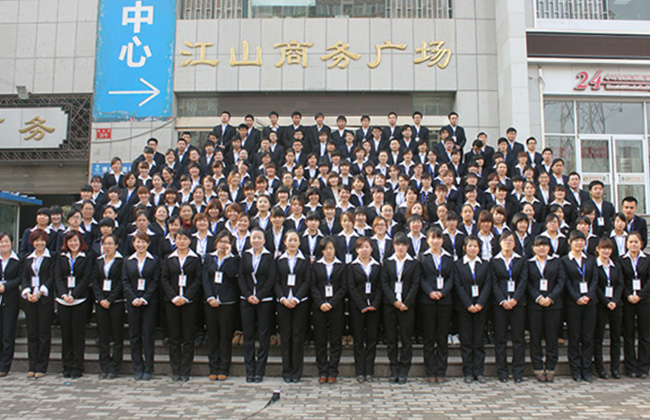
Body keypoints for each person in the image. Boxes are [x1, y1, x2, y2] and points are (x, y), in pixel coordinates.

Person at [161, 229, 202, 382]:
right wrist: (174, 297)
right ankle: (176, 370)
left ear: (190, 241)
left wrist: (186, 297)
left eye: (185, 239)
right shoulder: (168, 258)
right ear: (175, 240)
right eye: (179, 239)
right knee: (174, 337)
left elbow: (198, 279)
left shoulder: (195, 258)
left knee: (188, 337)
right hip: (172, 302)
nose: (182, 241)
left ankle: (186, 370)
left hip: (189, 302)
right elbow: (164, 279)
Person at [239, 228, 277, 383]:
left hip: (264, 300)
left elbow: (271, 278)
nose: (256, 240)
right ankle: (250, 370)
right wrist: (248, 294)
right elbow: (241, 276)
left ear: (264, 240)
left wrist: (259, 296)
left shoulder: (269, 256)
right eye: (254, 237)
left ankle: (260, 371)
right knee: (248, 335)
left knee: (263, 335)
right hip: (246, 299)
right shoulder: (245, 255)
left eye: (259, 238)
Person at [381, 232, 420, 384]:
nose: (401, 247)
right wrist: (394, 301)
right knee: (391, 338)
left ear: (408, 246)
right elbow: (384, 283)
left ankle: (404, 369)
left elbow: (415, 284)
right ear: (393, 246)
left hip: (407, 306)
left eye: (403, 245)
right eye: (398, 244)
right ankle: (394, 369)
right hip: (390, 305)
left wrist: (406, 302)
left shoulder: (413, 263)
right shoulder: (387, 262)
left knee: (406, 338)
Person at [55, 230, 93, 379]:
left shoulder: (86, 257)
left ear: (80, 242)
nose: (73, 243)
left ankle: (77, 366)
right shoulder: (61, 257)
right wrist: (64, 294)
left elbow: (86, 278)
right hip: (63, 300)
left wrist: (74, 294)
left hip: (79, 300)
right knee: (66, 334)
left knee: (78, 335)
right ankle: (67, 365)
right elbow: (58, 277)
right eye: (70, 241)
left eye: (75, 241)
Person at [490, 231, 527, 383]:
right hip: (500, 304)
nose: (508, 243)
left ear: (515, 243)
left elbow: (523, 281)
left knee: (518, 338)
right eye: (505, 240)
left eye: (511, 240)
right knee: (500, 339)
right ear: (500, 243)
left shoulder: (521, 260)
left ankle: (518, 371)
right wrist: (502, 300)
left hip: (517, 304)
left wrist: (515, 299)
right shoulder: (494, 261)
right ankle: (502, 371)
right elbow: (493, 282)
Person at [202, 230, 240, 381]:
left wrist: (228, 256)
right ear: (216, 242)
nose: (223, 244)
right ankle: (213, 367)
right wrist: (210, 297)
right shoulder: (209, 257)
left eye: (226, 242)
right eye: (221, 241)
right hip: (211, 301)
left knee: (225, 335)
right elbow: (205, 279)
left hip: (227, 302)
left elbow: (232, 274)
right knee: (212, 335)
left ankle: (224, 368)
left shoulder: (234, 259)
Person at [561, 230, 598, 383]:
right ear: (570, 242)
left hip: (590, 303)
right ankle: (575, 369)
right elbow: (566, 281)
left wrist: (588, 295)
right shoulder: (564, 261)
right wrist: (577, 297)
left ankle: (586, 369)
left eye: (582, 240)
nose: (579, 243)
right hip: (573, 303)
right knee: (574, 336)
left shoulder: (590, 259)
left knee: (588, 337)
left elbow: (595, 279)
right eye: (576, 240)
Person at [454, 235, 492, 383]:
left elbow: (487, 284)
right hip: (464, 307)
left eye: (475, 246)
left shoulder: (485, 264)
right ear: (464, 248)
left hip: (481, 307)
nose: (472, 249)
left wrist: (480, 303)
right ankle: (468, 371)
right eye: (470, 246)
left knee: (478, 340)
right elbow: (458, 285)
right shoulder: (458, 265)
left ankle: (479, 371)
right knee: (466, 340)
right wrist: (468, 304)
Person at [418, 226, 454, 383]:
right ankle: (430, 371)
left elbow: (451, 278)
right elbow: (420, 277)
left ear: (442, 240)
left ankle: (441, 370)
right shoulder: (422, 257)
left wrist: (443, 292)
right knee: (429, 337)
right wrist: (430, 292)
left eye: (438, 238)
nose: (435, 241)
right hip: (427, 301)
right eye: (432, 238)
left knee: (442, 337)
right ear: (427, 240)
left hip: (445, 301)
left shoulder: (449, 257)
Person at [123, 232, 160, 380]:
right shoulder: (128, 261)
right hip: (133, 302)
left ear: (148, 244)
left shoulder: (154, 260)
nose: (141, 245)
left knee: (148, 334)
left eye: (144, 242)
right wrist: (133, 298)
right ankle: (137, 367)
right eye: (138, 242)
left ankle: (149, 368)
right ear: (133, 244)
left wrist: (145, 298)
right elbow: (125, 281)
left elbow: (155, 280)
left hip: (149, 302)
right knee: (134, 335)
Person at [275, 230, 311, 383]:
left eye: (295, 240)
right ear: (285, 242)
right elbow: (276, 281)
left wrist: (296, 298)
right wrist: (283, 298)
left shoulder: (305, 259)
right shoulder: (279, 260)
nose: (292, 243)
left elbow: (307, 281)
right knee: (285, 336)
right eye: (290, 240)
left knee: (297, 335)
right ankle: (286, 370)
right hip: (283, 302)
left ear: (299, 243)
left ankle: (296, 371)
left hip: (300, 302)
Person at [311, 237, 347, 384]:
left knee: (335, 340)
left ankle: (333, 371)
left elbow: (343, 287)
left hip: (336, 307)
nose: (328, 251)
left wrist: (331, 303)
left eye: (331, 248)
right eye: (326, 249)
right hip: (319, 307)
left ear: (335, 250)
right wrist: (321, 303)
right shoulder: (316, 266)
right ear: (322, 251)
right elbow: (312, 286)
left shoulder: (341, 266)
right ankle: (322, 371)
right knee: (320, 340)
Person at [21, 229, 55, 378]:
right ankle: (32, 365)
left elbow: (52, 277)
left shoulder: (51, 257)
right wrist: (27, 292)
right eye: (36, 241)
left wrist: (40, 292)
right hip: (30, 299)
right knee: (32, 333)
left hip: (44, 299)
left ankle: (41, 366)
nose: (39, 243)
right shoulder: (28, 258)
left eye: (42, 240)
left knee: (43, 333)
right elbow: (24, 277)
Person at [93, 234, 125, 379]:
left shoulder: (121, 261)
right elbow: (95, 280)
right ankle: (104, 366)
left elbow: (121, 282)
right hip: (101, 302)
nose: (107, 247)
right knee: (103, 336)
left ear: (116, 246)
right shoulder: (99, 261)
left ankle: (115, 367)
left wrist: (110, 299)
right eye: (105, 244)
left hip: (116, 302)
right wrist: (100, 298)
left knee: (117, 336)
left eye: (110, 244)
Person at [619, 231, 650, 379]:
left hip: (644, 300)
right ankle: (630, 367)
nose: (633, 245)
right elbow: (620, 281)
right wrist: (628, 295)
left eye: (636, 242)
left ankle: (644, 367)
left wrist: (640, 295)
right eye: (630, 242)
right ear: (626, 244)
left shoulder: (647, 259)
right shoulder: (621, 260)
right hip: (628, 301)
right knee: (629, 334)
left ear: (641, 244)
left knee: (644, 335)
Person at [593, 237, 623, 379]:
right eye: (603, 248)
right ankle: (600, 368)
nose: (606, 251)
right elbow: (596, 285)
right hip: (601, 305)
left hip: (616, 305)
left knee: (615, 338)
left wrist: (614, 301)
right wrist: (606, 302)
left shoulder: (616, 265)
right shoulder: (594, 265)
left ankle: (615, 368)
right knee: (598, 337)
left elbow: (620, 284)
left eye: (609, 249)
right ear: (598, 249)